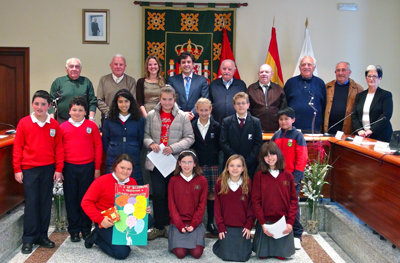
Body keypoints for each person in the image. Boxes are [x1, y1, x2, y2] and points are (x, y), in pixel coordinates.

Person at [13, 90, 64, 254]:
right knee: (32, 204)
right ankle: (28, 238)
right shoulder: (24, 123)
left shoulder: (54, 124)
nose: (40, 107)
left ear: (49, 106)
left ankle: (42, 236)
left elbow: (59, 148)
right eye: (37, 104)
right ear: (32, 104)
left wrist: (58, 169)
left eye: (43, 104)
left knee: (45, 204)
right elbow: (17, 148)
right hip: (29, 170)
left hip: (48, 169)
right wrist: (17, 169)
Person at [144, 86, 194, 240]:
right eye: (164, 99)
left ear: (174, 99)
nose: (167, 102)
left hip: (175, 162)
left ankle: (173, 225)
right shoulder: (152, 115)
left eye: (170, 99)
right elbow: (145, 135)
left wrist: (173, 148)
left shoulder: (182, 116)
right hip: (157, 162)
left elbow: (190, 138)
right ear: (160, 99)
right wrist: (151, 143)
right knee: (158, 194)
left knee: (174, 195)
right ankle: (159, 226)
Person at [81, 154, 150, 260]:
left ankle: (120, 236)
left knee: (149, 220)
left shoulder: (132, 182)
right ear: (115, 166)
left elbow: (133, 204)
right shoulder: (101, 181)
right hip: (107, 221)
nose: (125, 172)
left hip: (124, 218)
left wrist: (143, 209)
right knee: (122, 253)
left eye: (129, 169)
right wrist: (100, 219)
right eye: (122, 168)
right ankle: (97, 237)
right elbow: (86, 202)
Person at [60, 96, 102, 243]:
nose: (77, 113)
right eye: (74, 110)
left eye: (80, 110)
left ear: (85, 112)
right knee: (71, 199)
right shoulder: (63, 127)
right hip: (69, 168)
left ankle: (85, 229)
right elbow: (58, 149)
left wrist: (97, 168)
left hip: (87, 167)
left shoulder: (92, 126)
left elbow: (98, 147)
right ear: (69, 111)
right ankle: (73, 230)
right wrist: (59, 169)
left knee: (86, 199)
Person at [252, 141, 298, 259]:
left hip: (283, 222)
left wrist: (290, 222)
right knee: (262, 256)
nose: (270, 158)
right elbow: (255, 201)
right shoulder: (259, 176)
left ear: (278, 155)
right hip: (266, 222)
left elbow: (293, 200)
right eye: (266, 156)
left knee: (282, 256)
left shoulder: (288, 176)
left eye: (272, 154)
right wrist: (262, 223)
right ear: (262, 159)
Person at [271, 107, 307, 249]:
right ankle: (281, 230)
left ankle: (297, 234)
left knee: (292, 206)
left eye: (286, 119)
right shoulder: (276, 135)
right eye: (281, 119)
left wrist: (296, 177)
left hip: (292, 178)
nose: (284, 121)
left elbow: (302, 158)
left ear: (293, 120)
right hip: (277, 177)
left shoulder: (298, 136)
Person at [213, 154, 254, 262]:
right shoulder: (220, 183)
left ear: (243, 168)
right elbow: (217, 208)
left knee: (243, 257)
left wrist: (249, 225)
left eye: (238, 166)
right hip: (226, 227)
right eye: (232, 165)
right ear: (227, 167)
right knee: (226, 256)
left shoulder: (248, 184)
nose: (235, 168)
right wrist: (220, 226)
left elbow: (251, 207)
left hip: (242, 227)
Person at [168, 150, 208, 259]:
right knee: (180, 254)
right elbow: (172, 206)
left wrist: (194, 224)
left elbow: (202, 205)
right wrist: (180, 225)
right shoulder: (173, 180)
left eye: (190, 162)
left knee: (197, 253)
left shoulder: (202, 180)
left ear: (195, 163)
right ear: (179, 163)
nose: (187, 165)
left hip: (194, 223)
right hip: (178, 223)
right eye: (184, 162)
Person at [102, 89, 145, 184]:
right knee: (111, 189)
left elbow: (141, 140)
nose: (123, 104)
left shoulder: (139, 119)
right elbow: (105, 141)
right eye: (120, 101)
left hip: (133, 159)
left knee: (133, 190)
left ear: (131, 102)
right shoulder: (109, 119)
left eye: (126, 101)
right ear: (116, 103)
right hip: (113, 159)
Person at [191, 98, 221, 236]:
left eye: (206, 110)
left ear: (210, 110)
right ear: (197, 110)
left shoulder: (217, 126)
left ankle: (210, 222)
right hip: (197, 165)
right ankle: (196, 222)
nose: (204, 113)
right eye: (201, 110)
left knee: (211, 194)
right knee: (197, 194)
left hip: (213, 164)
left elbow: (220, 146)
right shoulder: (191, 125)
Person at [220, 92, 262, 178]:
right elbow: (223, 142)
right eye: (238, 103)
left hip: (249, 164)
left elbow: (258, 143)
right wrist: (235, 160)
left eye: (243, 103)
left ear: (248, 105)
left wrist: (247, 161)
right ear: (234, 106)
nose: (241, 106)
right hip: (231, 163)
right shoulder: (226, 122)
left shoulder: (255, 122)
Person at [284, 56, 326, 133]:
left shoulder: (320, 83)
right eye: (303, 65)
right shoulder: (290, 82)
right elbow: (284, 105)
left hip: (314, 128)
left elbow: (323, 105)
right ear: (300, 67)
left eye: (309, 64)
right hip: (293, 128)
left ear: (314, 67)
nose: (306, 67)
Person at [352, 65, 393, 142]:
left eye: (374, 76)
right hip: (363, 135)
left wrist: (371, 130)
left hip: (381, 136)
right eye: (369, 76)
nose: (371, 78)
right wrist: (359, 130)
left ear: (380, 78)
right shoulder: (360, 96)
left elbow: (386, 115)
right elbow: (354, 115)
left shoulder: (386, 95)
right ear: (366, 78)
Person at [49, 58, 97, 124]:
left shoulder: (86, 82)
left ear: (80, 69)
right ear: (66, 69)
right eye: (71, 66)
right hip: (62, 121)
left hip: (82, 122)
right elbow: (50, 101)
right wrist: (52, 118)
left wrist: (91, 119)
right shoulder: (58, 82)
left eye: (77, 66)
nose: (74, 69)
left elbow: (92, 101)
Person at [167, 51, 209, 120]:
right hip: (177, 118)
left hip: (197, 119)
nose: (186, 64)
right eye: (183, 62)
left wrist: (192, 113)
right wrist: (182, 113)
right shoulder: (172, 80)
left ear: (193, 64)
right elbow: (170, 99)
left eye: (189, 62)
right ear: (180, 65)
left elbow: (204, 99)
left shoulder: (202, 80)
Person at [324, 62, 363, 134]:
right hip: (329, 130)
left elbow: (360, 113)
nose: (340, 73)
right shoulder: (327, 87)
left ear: (349, 72)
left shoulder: (358, 89)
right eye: (338, 70)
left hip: (347, 132)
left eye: (343, 70)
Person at [97, 54, 137, 125]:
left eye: (121, 64)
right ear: (110, 66)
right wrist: (111, 113)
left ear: (125, 67)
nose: (118, 67)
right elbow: (99, 100)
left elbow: (133, 100)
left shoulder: (131, 81)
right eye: (115, 64)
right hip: (108, 119)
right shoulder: (103, 80)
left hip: (126, 120)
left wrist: (122, 114)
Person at [248, 64, 287, 132]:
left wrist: (282, 125)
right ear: (258, 74)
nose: (264, 74)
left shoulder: (278, 89)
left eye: (267, 72)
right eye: (261, 72)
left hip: (276, 129)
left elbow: (284, 109)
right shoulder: (251, 89)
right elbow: (247, 110)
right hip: (256, 129)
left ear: (272, 74)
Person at [209, 59, 247, 124]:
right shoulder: (213, 85)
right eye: (224, 69)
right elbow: (209, 103)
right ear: (220, 70)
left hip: (237, 124)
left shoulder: (241, 85)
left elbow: (246, 104)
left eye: (229, 69)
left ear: (234, 71)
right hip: (217, 123)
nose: (226, 71)